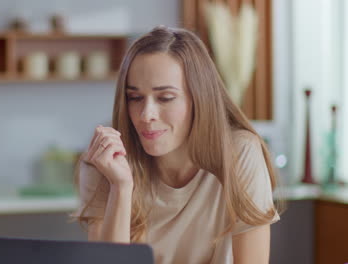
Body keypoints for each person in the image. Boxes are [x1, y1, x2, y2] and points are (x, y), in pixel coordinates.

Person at [71, 26, 282, 264]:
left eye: (165, 98)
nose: (146, 114)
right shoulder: (106, 158)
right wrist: (120, 186)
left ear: (199, 98)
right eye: (135, 97)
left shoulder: (239, 152)